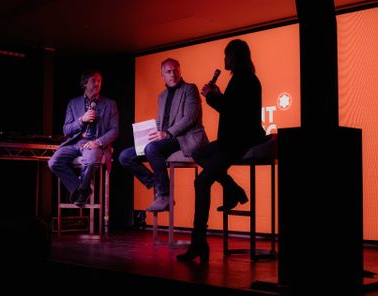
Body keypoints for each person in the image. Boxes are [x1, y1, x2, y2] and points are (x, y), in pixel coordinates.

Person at [177, 39, 266, 262]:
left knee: (202, 182)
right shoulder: (241, 79)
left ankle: (198, 243)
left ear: (235, 57)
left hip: (239, 141)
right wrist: (217, 95)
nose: (224, 60)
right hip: (232, 139)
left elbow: (233, 112)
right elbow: (233, 108)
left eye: (227, 55)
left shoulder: (245, 80)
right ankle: (234, 189)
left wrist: (212, 96)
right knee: (198, 153)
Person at [119, 58, 208, 212]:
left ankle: (165, 195)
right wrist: (150, 134)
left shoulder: (189, 89)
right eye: (168, 71)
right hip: (163, 140)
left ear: (180, 71)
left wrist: (167, 134)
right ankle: (156, 183)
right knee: (125, 156)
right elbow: (160, 122)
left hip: (183, 139)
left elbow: (190, 118)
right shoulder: (162, 96)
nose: (172, 74)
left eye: (175, 70)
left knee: (152, 149)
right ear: (162, 75)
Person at [48, 69, 119, 206]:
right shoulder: (73, 103)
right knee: (53, 162)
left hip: (94, 143)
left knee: (90, 160)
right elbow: (66, 130)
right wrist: (81, 120)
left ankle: (81, 189)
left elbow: (115, 130)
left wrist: (97, 142)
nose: (97, 83)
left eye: (99, 81)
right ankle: (81, 188)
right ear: (85, 83)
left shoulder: (110, 104)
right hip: (75, 143)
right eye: (94, 80)